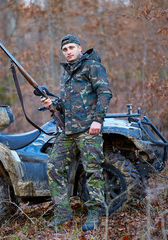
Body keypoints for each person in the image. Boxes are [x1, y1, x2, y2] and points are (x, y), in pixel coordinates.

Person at [41, 34, 112, 231]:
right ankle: (63, 213)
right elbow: (67, 104)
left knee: (92, 171)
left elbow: (105, 93)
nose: (68, 52)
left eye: (71, 47)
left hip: (88, 129)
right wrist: (52, 104)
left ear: (80, 48)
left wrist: (98, 120)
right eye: (65, 49)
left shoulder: (92, 66)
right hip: (68, 131)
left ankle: (95, 213)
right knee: (54, 167)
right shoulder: (66, 74)